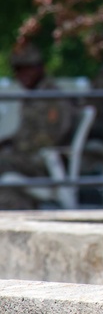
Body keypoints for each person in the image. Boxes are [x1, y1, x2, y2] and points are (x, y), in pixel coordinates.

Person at [0, 42, 77, 209]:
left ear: (39, 68)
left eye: (27, 68)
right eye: (17, 69)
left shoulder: (52, 98)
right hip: (25, 159)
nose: (22, 74)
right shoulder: (33, 96)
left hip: (42, 163)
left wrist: (15, 150)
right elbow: (23, 134)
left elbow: (51, 138)